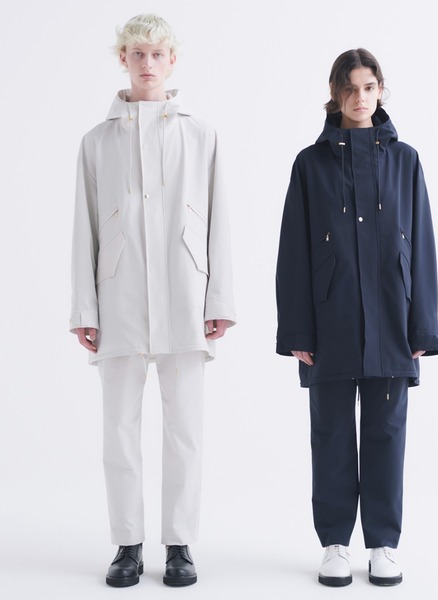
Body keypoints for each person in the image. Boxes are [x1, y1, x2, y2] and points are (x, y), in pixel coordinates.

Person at [70, 14, 236, 588]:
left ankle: (180, 544)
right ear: (123, 59)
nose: (147, 63)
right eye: (137, 53)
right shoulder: (97, 142)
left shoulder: (201, 135)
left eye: (157, 53)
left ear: (172, 60)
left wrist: (219, 298)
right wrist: (84, 309)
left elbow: (217, 221)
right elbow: (85, 228)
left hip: (185, 296)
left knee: (184, 428)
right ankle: (127, 544)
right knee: (119, 428)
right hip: (118, 298)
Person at [275, 48, 438, 587]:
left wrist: (422, 326)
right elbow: (293, 252)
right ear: (335, 93)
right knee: (330, 433)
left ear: (381, 90)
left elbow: (422, 246)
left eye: (369, 87)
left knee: (387, 433)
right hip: (331, 320)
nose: (359, 97)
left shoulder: (405, 160)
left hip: (392, 319)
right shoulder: (310, 163)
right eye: (349, 88)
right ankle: (334, 544)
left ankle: (383, 544)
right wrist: (297, 330)